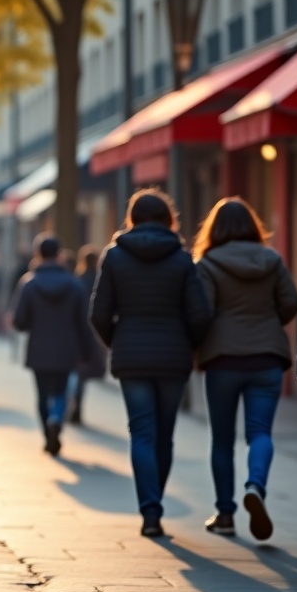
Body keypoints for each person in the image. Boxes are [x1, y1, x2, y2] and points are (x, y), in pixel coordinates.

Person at [90, 189, 212, 537]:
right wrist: (188, 344)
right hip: (173, 357)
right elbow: (200, 314)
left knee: (141, 432)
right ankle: (155, 500)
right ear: (167, 219)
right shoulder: (181, 258)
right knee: (164, 435)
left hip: (131, 356)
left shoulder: (114, 256)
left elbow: (98, 313)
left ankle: (150, 511)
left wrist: (118, 343)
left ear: (132, 217)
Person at [194, 198, 297, 541]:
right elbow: (291, 303)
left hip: (223, 359)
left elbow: (203, 313)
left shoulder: (208, 263)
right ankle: (256, 485)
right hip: (267, 357)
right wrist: (267, 324)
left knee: (222, 440)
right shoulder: (271, 260)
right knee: (260, 432)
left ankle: (225, 514)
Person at [11, 235, 91, 457]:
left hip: (38, 349)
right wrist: (87, 352)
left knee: (42, 394)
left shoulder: (29, 284)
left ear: (38, 254)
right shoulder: (74, 285)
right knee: (60, 392)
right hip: (67, 349)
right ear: (59, 255)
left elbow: (20, 321)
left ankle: (48, 434)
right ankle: (56, 418)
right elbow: (83, 321)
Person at [68, 245, 106, 425]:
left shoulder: (78, 280)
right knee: (83, 373)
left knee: (77, 371)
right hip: (94, 331)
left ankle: (74, 404)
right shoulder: (101, 279)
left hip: (77, 330)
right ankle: (78, 406)